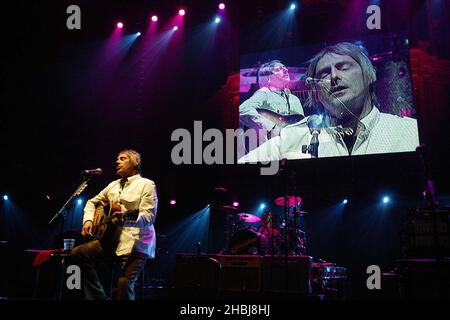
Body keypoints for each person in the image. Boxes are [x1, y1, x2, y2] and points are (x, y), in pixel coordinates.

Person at [238, 42, 419, 163]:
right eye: (324, 73)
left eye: (344, 67)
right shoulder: (291, 137)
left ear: (369, 76)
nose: (334, 76)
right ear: (316, 93)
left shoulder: (410, 131)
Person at [70, 149, 158, 300]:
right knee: (77, 254)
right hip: (111, 239)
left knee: (124, 283)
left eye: (122, 158)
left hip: (136, 243)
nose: (117, 161)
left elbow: (149, 217)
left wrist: (126, 218)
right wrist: (89, 220)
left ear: (136, 162)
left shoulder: (147, 185)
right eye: (117, 159)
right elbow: (92, 202)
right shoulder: (113, 185)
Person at [239, 60, 304, 152]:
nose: (285, 70)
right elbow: (243, 109)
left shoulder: (295, 99)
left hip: (293, 149)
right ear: (268, 78)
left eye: (284, 68)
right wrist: (271, 127)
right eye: (278, 69)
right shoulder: (264, 94)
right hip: (271, 152)